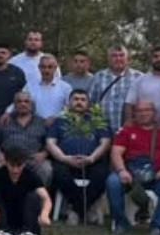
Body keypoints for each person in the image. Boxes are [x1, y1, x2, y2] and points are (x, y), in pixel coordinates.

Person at [106, 100, 160, 235]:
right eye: (139, 111)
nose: (143, 113)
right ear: (134, 113)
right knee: (113, 182)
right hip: (130, 176)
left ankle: (158, 227)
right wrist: (121, 170)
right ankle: (121, 223)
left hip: (157, 176)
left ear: (155, 113)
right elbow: (116, 153)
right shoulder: (126, 131)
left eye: (147, 110)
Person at [46, 89, 111, 225]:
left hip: (92, 161)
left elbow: (105, 143)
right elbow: (50, 142)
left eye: (83, 100)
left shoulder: (98, 121)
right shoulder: (59, 121)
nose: (79, 102)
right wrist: (64, 158)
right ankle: (86, 210)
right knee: (58, 174)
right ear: (69, 102)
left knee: (102, 176)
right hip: (65, 161)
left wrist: (91, 158)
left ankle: (76, 210)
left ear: (88, 104)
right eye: (75, 99)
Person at [0, 146, 53, 235]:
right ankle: (2, 230)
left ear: (24, 163)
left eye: (19, 165)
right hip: (2, 215)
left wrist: (45, 214)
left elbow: (46, 198)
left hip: (25, 215)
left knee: (34, 196)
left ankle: (27, 232)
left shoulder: (31, 176)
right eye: (12, 165)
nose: (15, 170)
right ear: (6, 162)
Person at [0, 91, 52, 184]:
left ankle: (39, 193)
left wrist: (44, 153)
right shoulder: (5, 120)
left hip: (32, 160)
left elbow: (49, 143)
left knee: (46, 168)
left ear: (31, 104)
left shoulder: (42, 122)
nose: (23, 104)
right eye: (19, 101)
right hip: (7, 159)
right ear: (14, 105)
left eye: (26, 101)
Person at [88, 45, 143, 134]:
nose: (118, 59)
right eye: (114, 55)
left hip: (130, 130)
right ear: (108, 59)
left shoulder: (138, 77)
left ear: (128, 58)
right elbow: (90, 104)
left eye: (121, 55)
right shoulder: (98, 77)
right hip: (103, 132)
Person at [124, 45, 160, 128]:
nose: (159, 59)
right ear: (151, 59)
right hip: (145, 129)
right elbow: (129, 103)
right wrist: (129, 120)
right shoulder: (139, 81)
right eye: (155, 56)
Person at [20, 54, 72, 121]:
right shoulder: (29, 86)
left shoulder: (65, 87)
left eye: (50, 67)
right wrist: (8, 112)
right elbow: (20, 102)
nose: (46, 70)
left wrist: (56, 117)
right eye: (43, 67)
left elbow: (70, 107)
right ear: (39, 67)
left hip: (58, 123)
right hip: (35, 123)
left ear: (55, 68)